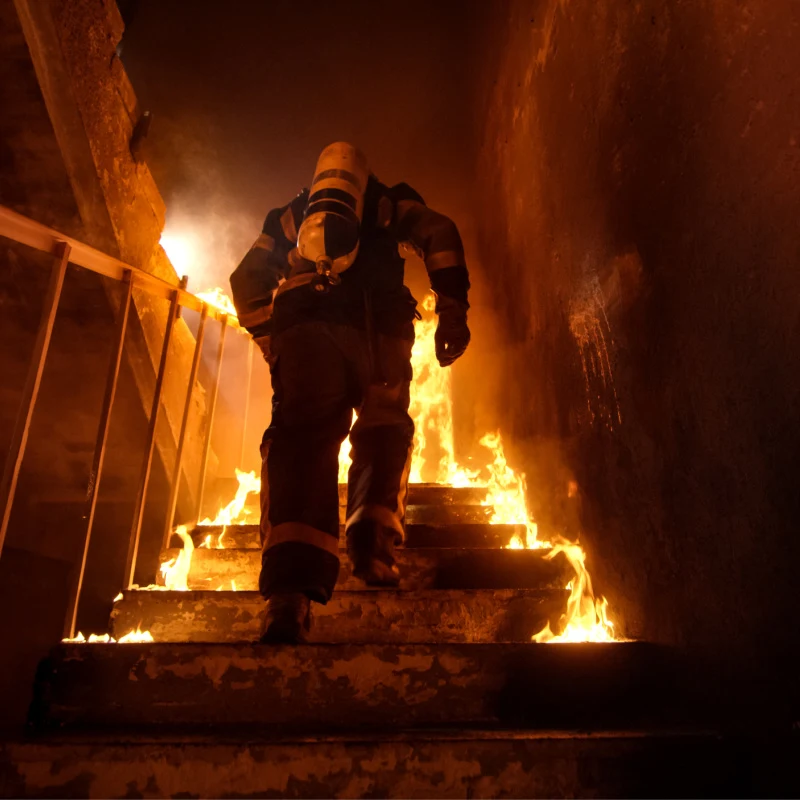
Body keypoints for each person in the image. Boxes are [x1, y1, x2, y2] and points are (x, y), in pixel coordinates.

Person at [230, 142, 470, 643]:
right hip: (379, 332)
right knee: (384, 427)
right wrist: (452, 311)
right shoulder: (389, 202)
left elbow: (247, 278)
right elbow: (440, 233)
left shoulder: (292, 214)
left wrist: (272, 341)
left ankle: (288, 600)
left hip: (305, 337)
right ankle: (372, 541)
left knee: (300, 445)